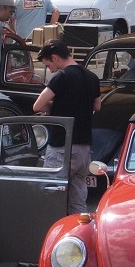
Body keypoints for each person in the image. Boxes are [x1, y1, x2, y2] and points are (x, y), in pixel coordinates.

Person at [33, 39, 102, 215]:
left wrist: (54, 107)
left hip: (62, 147)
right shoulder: (92, 77)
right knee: (78, 200)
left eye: (48, 65)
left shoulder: (62, 77)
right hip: (84, 148)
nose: (50, 70)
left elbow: (37, 105)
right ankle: (77, 228)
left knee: (51, 196)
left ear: (55, 58)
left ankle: (52, 229)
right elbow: (97, 106)